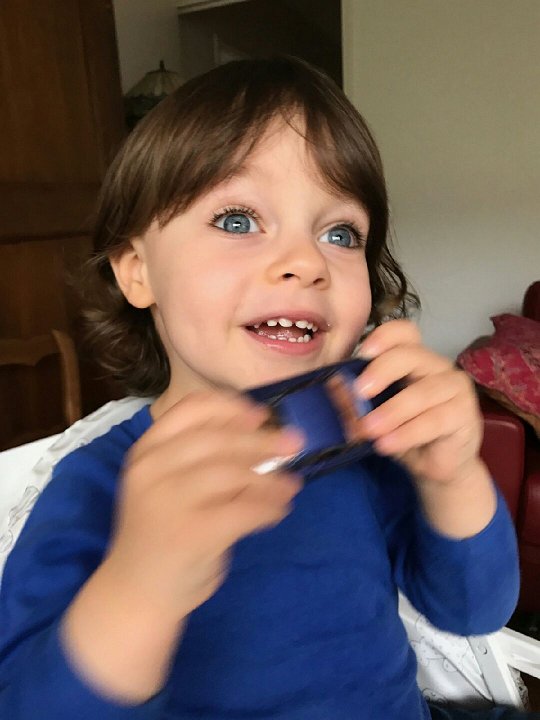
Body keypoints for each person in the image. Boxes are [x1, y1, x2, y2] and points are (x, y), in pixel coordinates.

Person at [0, 56, 531, 720]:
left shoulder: (363, 449)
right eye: (237, 220)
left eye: (341, 233)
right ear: (138, 272)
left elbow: (473, 610)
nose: (306, 262)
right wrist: (140, 587)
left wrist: (453, 479)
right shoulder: (96, 484)